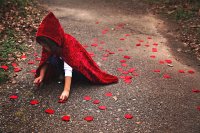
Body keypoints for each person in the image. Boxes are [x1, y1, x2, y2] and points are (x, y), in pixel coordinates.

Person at [34, 12, 118, 101]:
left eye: (46, 46)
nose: (44, 48)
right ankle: (61, 74)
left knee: (68, 68)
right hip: (61, 62)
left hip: (76, 70)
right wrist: (41, 76)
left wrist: (66, 90)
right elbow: (45, 60)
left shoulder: (67, 44)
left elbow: (68, 67)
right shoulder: (50, 46)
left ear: (53, 44)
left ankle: (67, 78)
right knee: (51, 58)